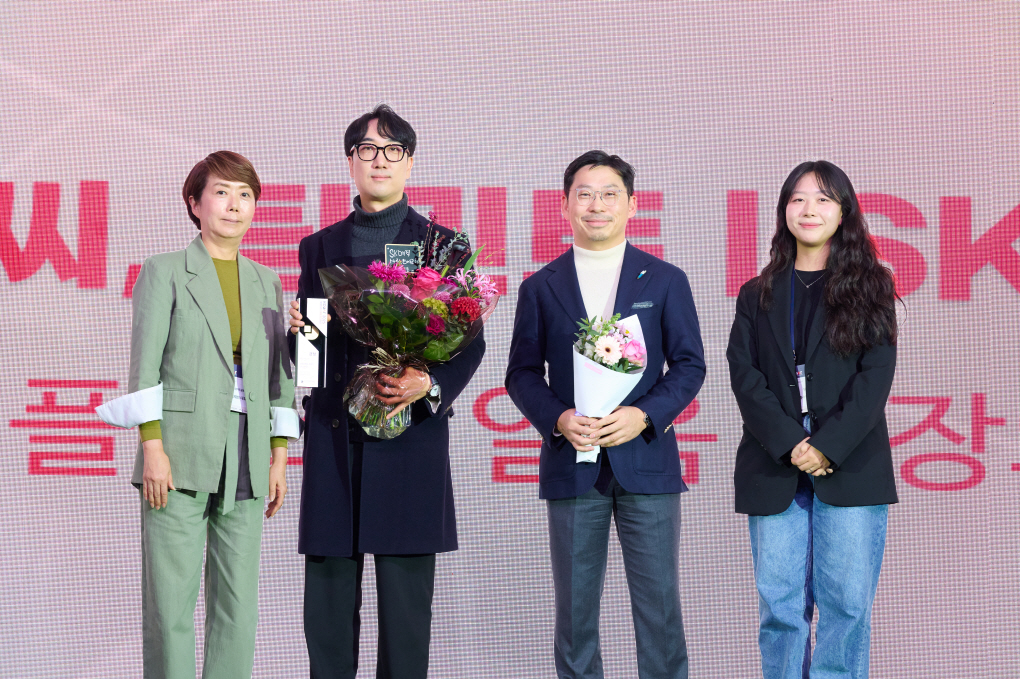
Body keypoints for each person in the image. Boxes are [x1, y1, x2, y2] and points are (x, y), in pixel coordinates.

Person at [288, 105, 485, 679]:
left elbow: (469, 342)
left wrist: (430, 384)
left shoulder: (442, 244)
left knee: (405, 616)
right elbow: (311, 357)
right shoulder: (318, 246)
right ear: (350, 161)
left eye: (393, 150)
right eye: (367, 150)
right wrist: (299, 334)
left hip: (409, 440)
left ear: (410, 163)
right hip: (335, 440)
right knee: (327, 611)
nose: (380, 160)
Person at [97, 151, 299, 679]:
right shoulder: (164, 270)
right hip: (179, 448)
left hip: (248, 451)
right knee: (170, 606)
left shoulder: (267, 281)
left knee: (239, 607)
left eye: (245, 195)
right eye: (222, 192)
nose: (234, 205)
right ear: (194, 203)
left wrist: (279, 457)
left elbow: (277, 377)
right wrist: (153, 448)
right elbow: (145, 367)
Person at [504, 150, 705, 679]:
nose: (597, 205)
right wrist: (558, 419)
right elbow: (521, 373)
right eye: (585, 194)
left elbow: (689, 365)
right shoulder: (540, 286)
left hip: (647, 463)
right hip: (573, 465)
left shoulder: (664, 280)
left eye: (610, 194)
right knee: (575, 618)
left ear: (632, 205)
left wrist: (644, 416)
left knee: (660, 613)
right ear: (565, 204)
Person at [726, 160, 899, 679]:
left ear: (843, 212)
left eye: (823, 199)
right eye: (798, 198)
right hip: (774, 460)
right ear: (784, 210)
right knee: (780, 609)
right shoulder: (756, 293)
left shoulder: (872, 287)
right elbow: (745, 376)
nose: (809, 209)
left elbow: (875, 379)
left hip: (850, 462)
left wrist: (826, 445)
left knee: (847, 606)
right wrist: (791, 443)